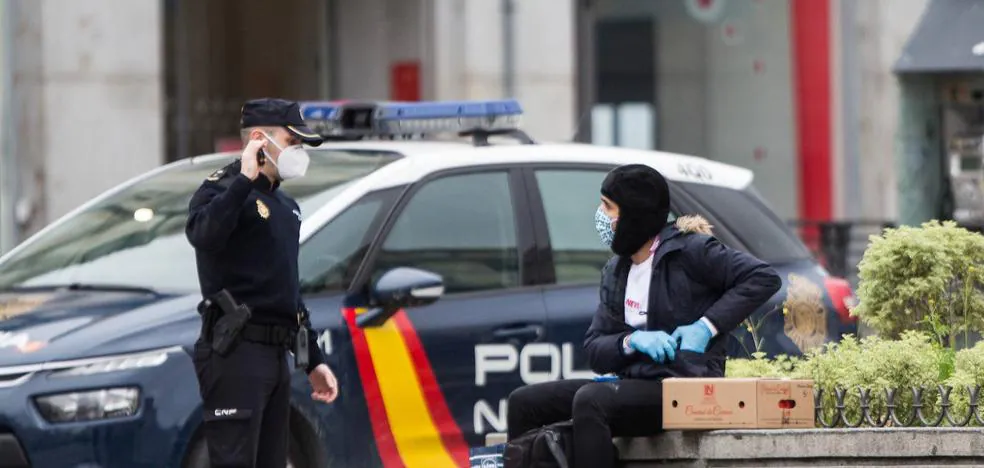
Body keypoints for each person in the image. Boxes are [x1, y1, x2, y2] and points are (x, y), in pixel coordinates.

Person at [506, 164, 782, 468]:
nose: (600, 214)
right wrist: (630, 341)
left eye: (608, 206)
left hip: (683, 386)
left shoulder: (691, 251)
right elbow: (596, 350)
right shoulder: (617, 270)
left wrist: (705, 327)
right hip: (631, 384)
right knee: (524, 403)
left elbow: (763, 277)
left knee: (591, 400)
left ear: (634, 215)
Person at [185, 98, 340, 467]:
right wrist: (243, 181)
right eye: (292, 142)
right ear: (259, 139)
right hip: (236, 352)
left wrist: (312, 359)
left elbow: (287, 290)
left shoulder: (286, 208)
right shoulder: (220, 191)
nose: (298, 153)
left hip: (274, 357)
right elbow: (203, 235)